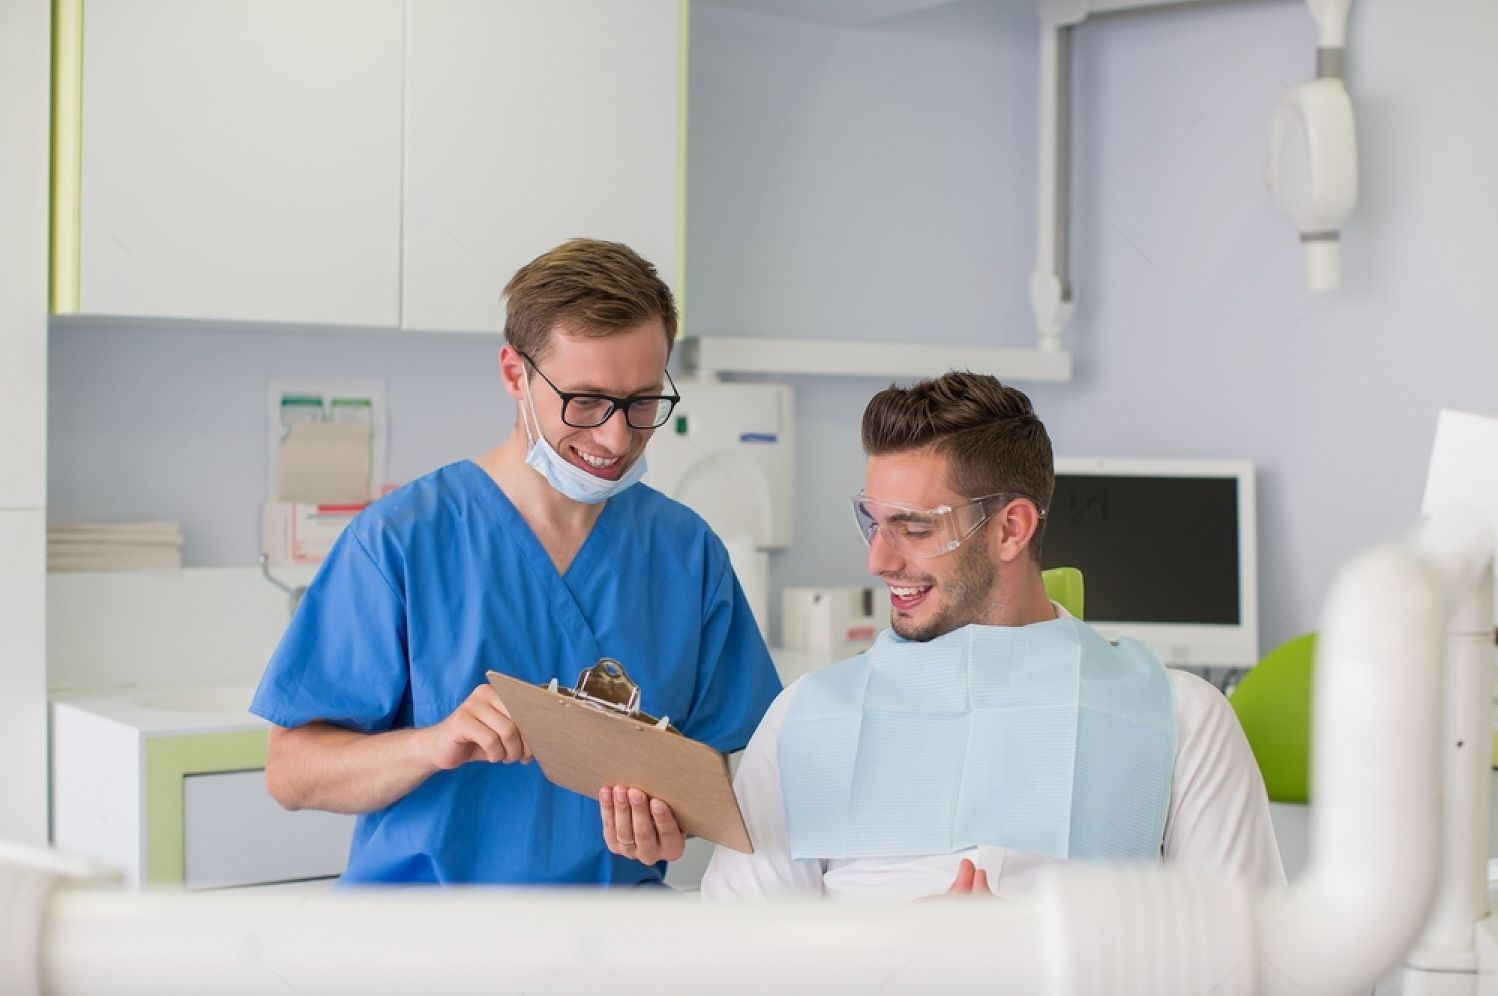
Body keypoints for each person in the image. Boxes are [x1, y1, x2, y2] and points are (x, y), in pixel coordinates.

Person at [253, 238, 782, 886]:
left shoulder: (685, 553)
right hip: (433, 942)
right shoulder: (401, 542)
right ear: (514, 374)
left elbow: (729, 767)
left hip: (612, 938)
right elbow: (291, 774)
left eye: (642, 402)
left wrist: (677, 817)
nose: (616, 438)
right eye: (585, 402)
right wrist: (431, 744)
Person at [701, 371, 1283, 900]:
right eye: (873, 525)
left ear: (1011, 530)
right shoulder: (804, 720)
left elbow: (1252, 964)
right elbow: (736, 964)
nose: (877, 560)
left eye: (914, 528)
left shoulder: (1180, 719)